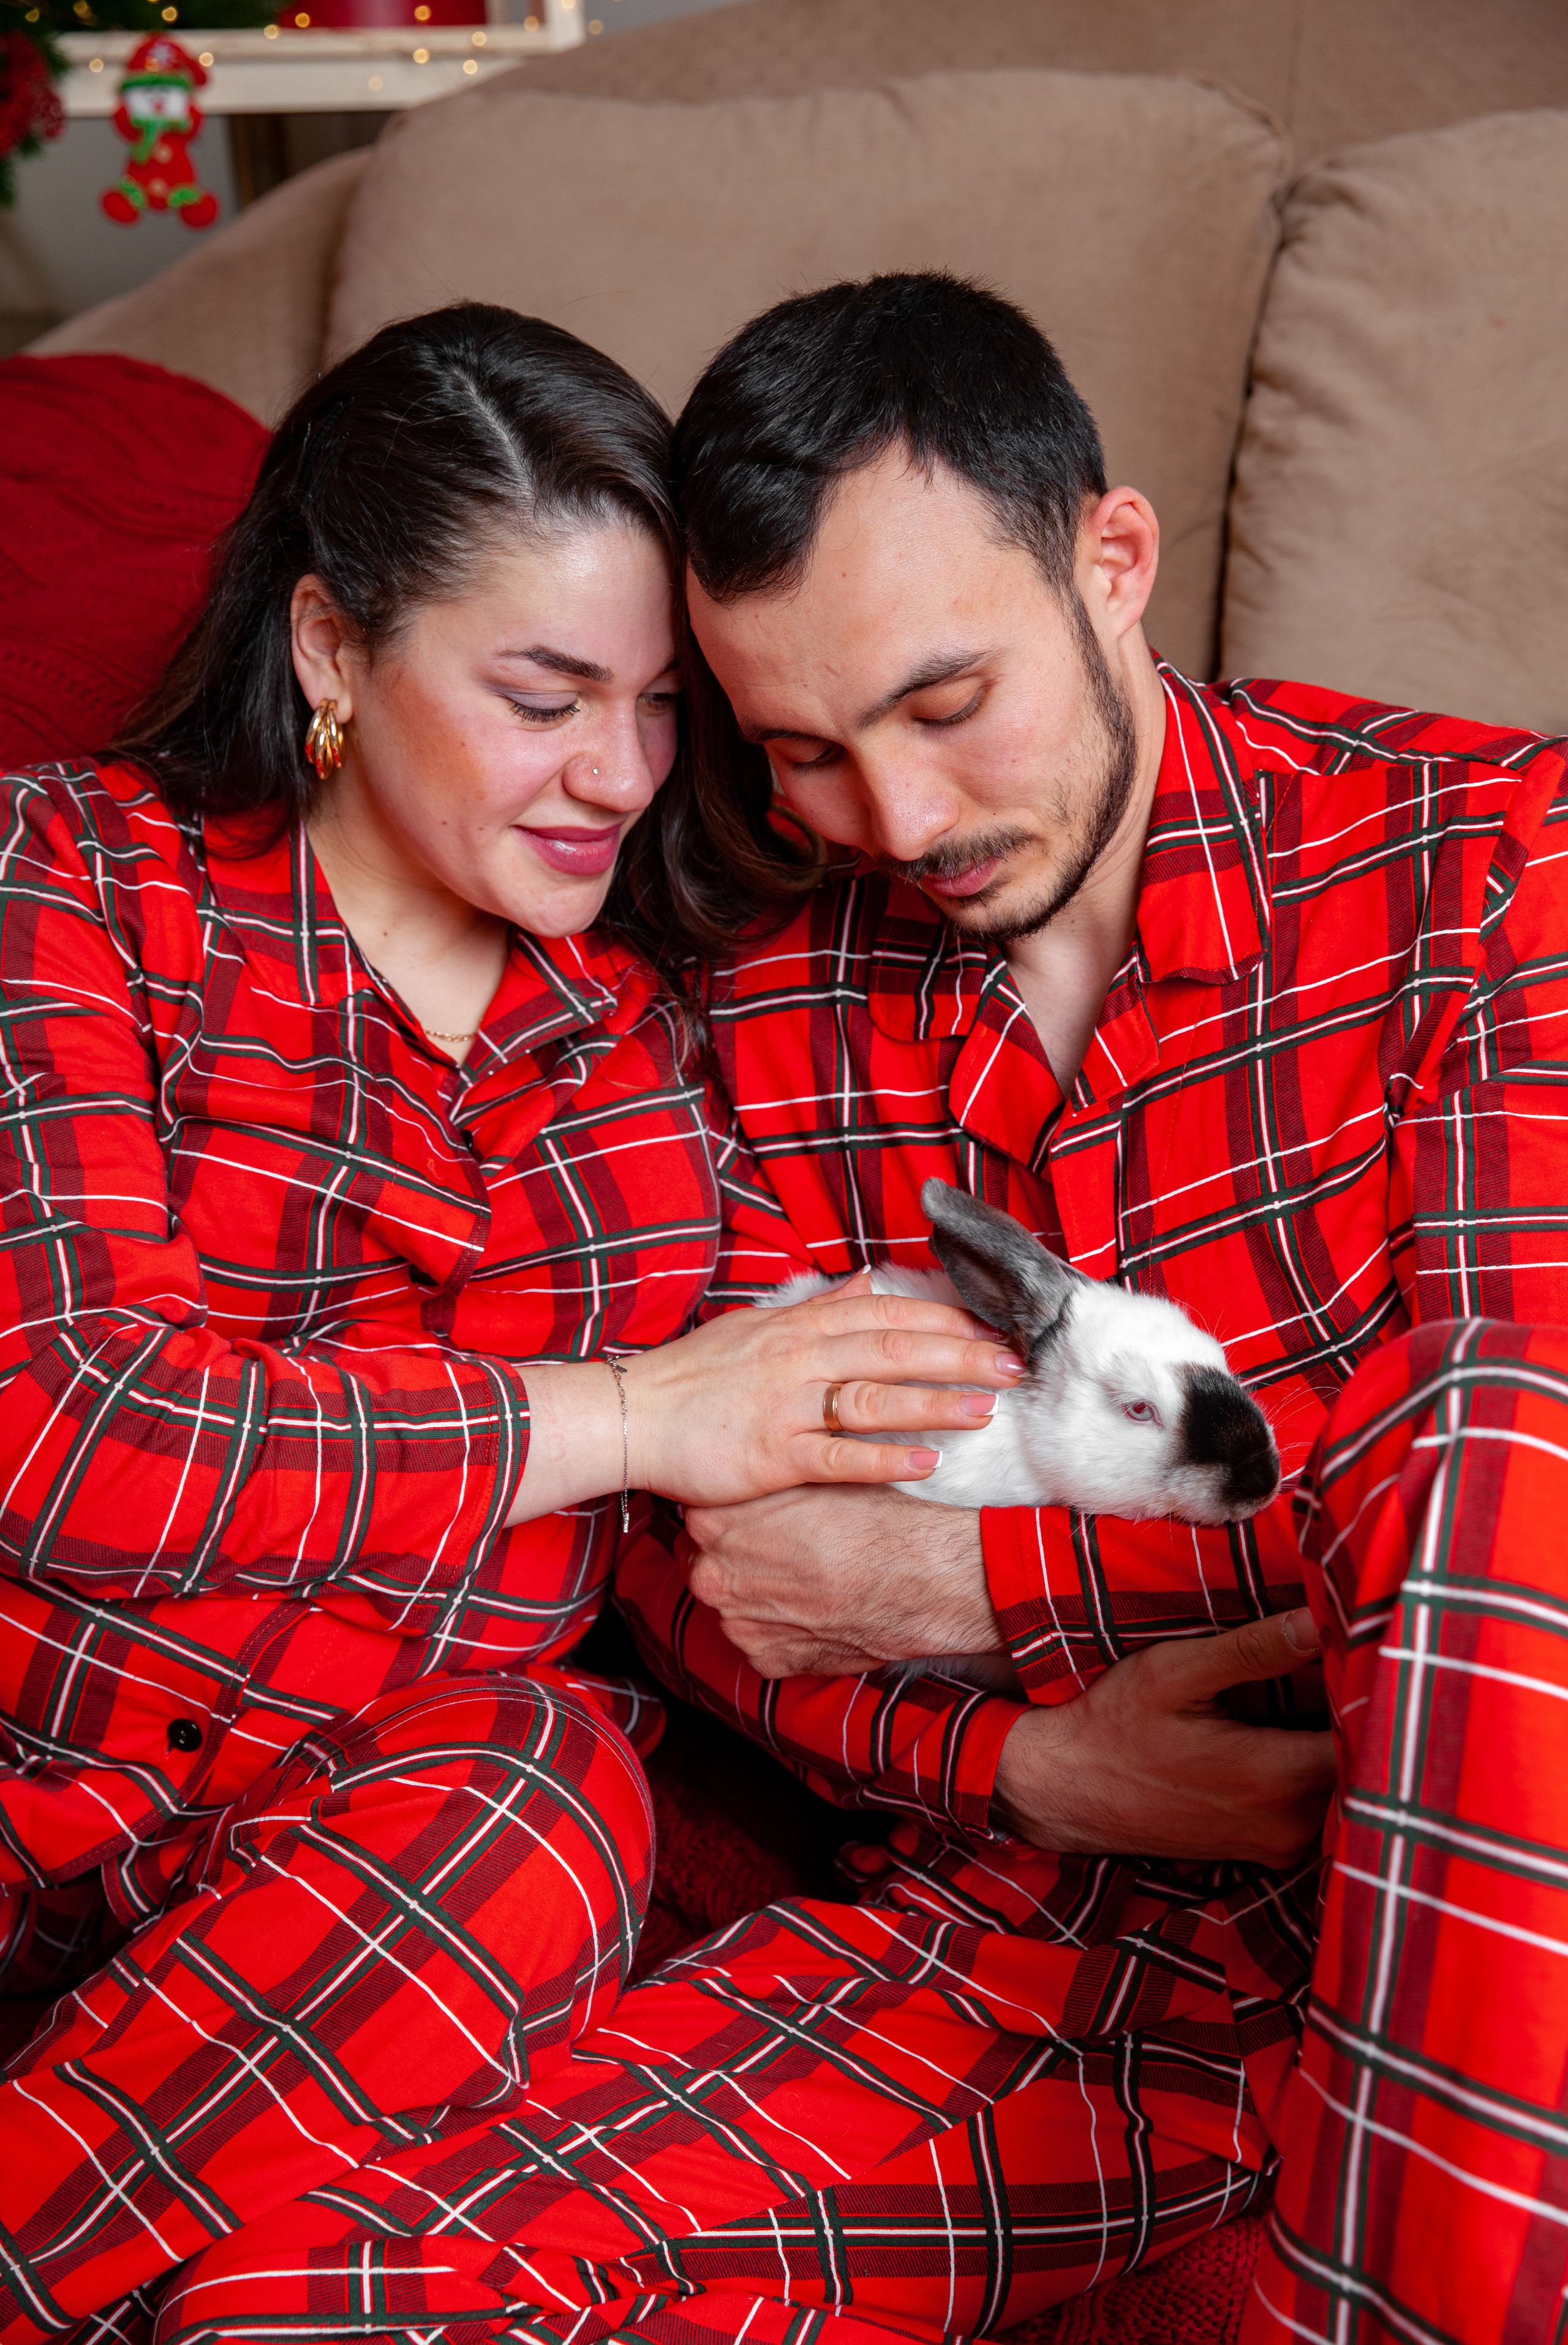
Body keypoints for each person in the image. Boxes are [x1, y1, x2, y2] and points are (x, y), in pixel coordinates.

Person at [156, 274, 1568, 2345]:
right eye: (805, 750)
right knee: (312, 2303)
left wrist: (984, 1583)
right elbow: (715, 1575)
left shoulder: (1497, 866)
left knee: (1500, 1458)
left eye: (945, 701)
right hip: (1058, 1927)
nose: (898, 823)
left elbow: (1507, 1515)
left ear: (1113, 561)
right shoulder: (761, 1004)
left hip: (1496, 1890)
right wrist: (1032, 1760)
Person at [0, 300, 1030, 2345]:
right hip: (34, 1749)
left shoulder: (650, 1047)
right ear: (329, 647)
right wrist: (631, 1409)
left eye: (658, 707)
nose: (619, 776)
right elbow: (67, 1430)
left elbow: (744, 1519)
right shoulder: (80, 881)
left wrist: (1049, 1742)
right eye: (545, 696)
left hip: (341, 1872)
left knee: (548, 1799)